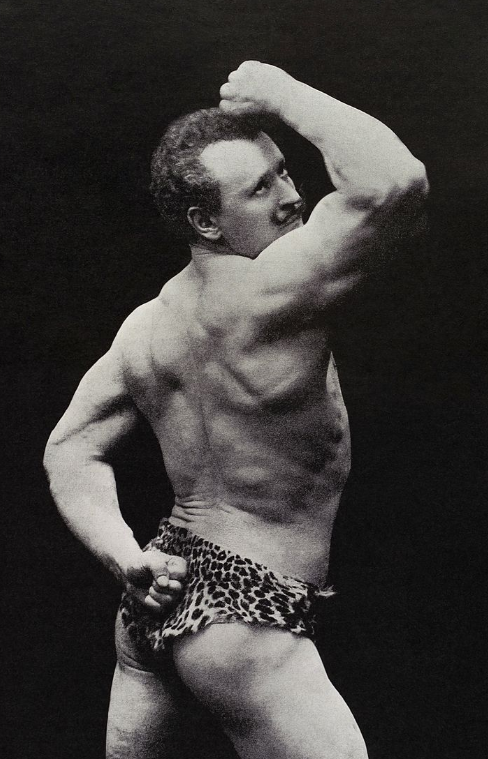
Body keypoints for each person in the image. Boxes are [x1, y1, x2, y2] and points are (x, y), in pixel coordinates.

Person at [44, 61, 428, 759]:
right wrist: (282, 92)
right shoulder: (270, 292)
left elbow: (69, 448)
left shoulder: (145, 326)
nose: (292, 195)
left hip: (157, 595)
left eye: (284, 171)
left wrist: (127, 559)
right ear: (206, 222)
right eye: (260, 188)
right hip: (244, 613)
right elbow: (394, 182)